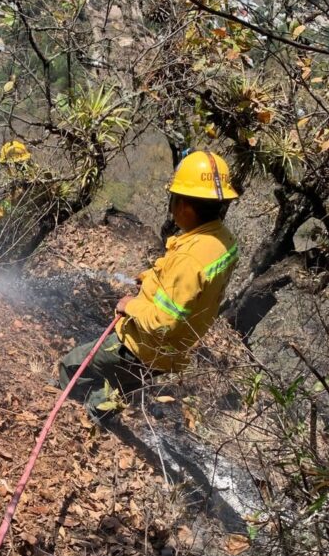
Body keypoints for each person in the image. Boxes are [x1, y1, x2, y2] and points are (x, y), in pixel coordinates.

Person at [59, 150, 239, 419]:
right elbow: (190, 288)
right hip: (170, 354)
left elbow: (164, 321)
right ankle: (97, 418)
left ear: (186, 207)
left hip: (143, 347)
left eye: (174, 199)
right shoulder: (221, 240)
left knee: (74, 365)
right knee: (119, 385)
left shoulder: (190, 258)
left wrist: (130, 305)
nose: (172, 206)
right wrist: (152, 278)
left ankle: (63, 418)